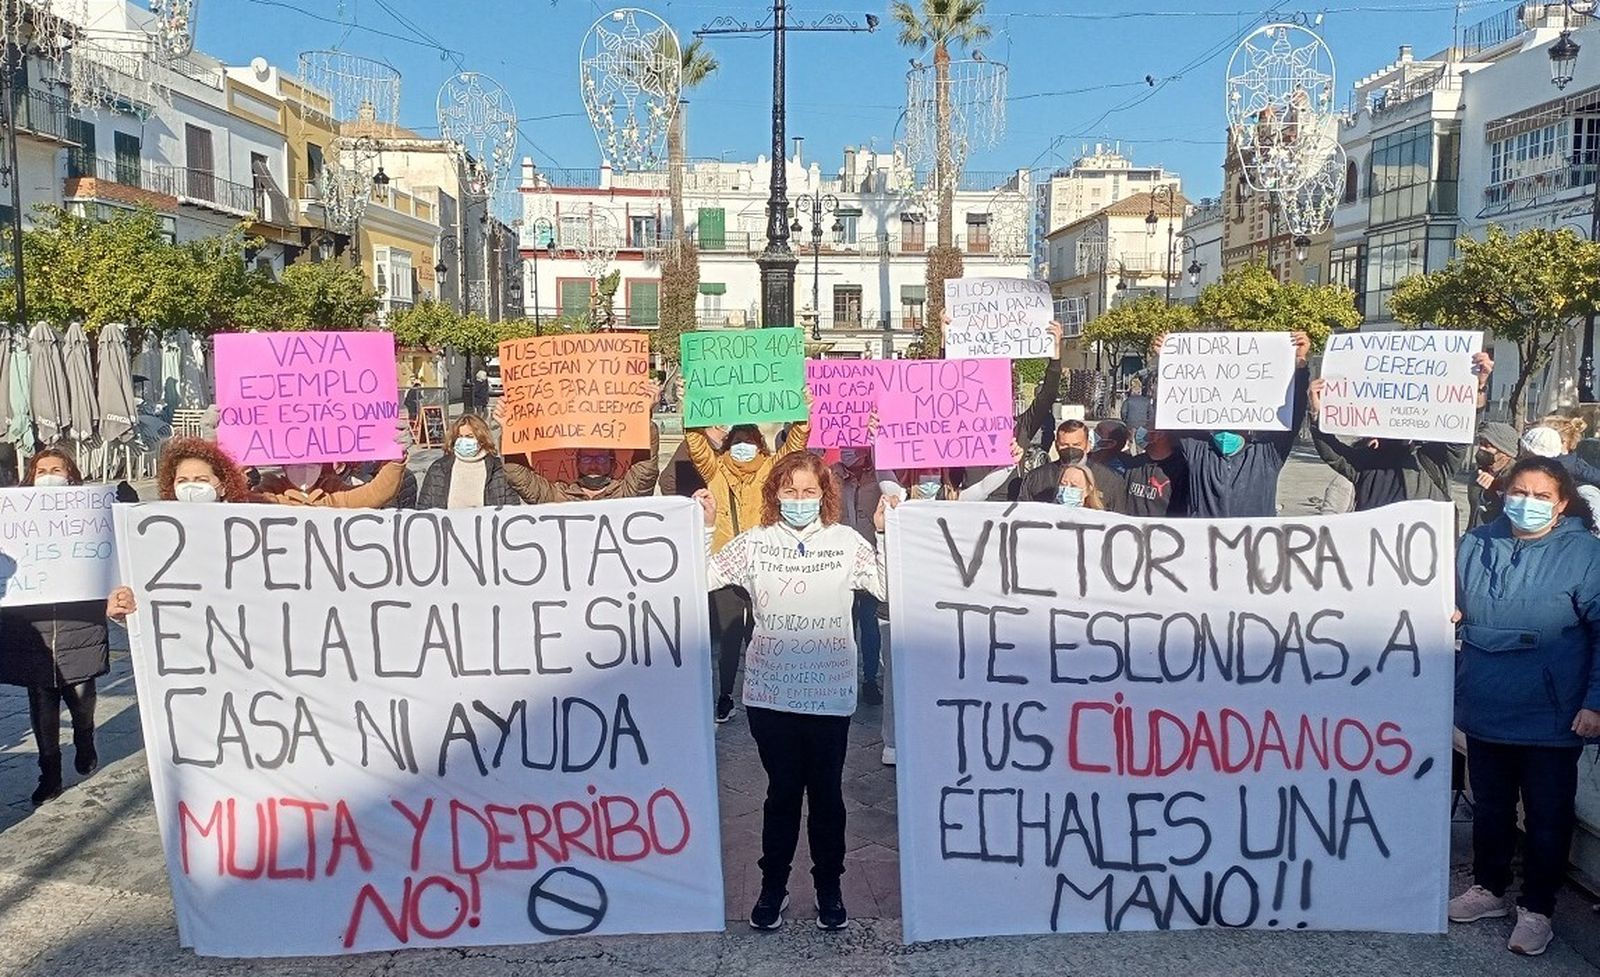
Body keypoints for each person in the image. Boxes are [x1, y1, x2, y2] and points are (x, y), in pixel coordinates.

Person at [695, 451, 891, 933]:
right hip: (771, 696)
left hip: (829, 696)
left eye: (808, 492)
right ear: (774, 495)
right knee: (782, 794)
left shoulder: (846, 542)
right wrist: (705, 528)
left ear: (824, 496)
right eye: (790, 491)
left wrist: (886, 533)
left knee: (826, 796)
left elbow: (887, 587)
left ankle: (830, 889)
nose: (799, 500)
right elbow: (700, 578)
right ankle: (772, 889)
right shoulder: (755, 543)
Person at [1451, 456, 1600, 957]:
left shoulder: (1586, 556)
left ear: (1561, 505)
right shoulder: (1473, 544)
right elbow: (1441, 600)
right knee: (1490, 808)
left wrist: (1595, 703)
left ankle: (1538, 909)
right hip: (1487, 703)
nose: (1527, 503)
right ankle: (1489, 890)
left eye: (1541, 496)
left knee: (1547, 816)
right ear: (1503, 493)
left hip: (1553, 714)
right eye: (1520, 492)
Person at [1, 449, 112, 805]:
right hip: (30, 625)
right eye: (41, 470)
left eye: (57, 470)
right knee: (41, 699)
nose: (49, 476)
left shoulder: (90, 510)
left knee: (81, 695)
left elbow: (122, 520)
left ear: (71, 475)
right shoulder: (12, 516)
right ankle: (49, 771)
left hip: (78, 622)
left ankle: (84, 735)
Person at [687, 413, 812, 724]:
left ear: (759, 444)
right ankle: (725, 696)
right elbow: (696, 443)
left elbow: (795, 447)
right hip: (726, 562)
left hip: (764, 563)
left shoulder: (771, 470)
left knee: (763, 632)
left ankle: (768, 693)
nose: (743, 447)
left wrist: (801, 416)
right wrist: (690, 408)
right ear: (729, 444)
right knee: (729, 636)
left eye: (749, 442)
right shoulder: (715, 469)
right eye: (738, 441)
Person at [1154, 330, 1312, 518]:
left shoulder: (1266, 455)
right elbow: (1175, 410)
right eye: (1222, 421)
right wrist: (1168, 360)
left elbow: (1294, 415)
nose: (1227, 426)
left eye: (1235, 421)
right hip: (1204, 544)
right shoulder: (1199, 452)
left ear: (1249, 424)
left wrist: (1300, 363)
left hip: (1252, 545)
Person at [1306, 378, 1469, 513]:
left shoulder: (1432, 460)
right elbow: (1333, 453)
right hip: (1375, 547)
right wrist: (1317, 414)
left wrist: (1477, 387)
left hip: (1421, 549)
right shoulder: (1366, 461)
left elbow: (1458, 437)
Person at [832, 447, 884, 706]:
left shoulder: (880, 477)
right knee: (844, 625)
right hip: (841, 563)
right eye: (844, 446)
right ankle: (845, 677)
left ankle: (870, 679)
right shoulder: (832, 477)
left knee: (870, 624)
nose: (848, 450)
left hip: (872, 560)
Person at [506, 425, 662, 503]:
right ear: (577, 463)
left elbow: (645, 470)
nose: (594, 465)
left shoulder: (626, 494)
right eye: (587, 459)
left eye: (601, 459)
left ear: (612, 462)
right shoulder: (559, 496)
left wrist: (643, 420)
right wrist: (509, 430)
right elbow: (519, 477)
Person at [417, 414, 521, 509]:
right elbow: (424, 509)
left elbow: (511, 510)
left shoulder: (498, 470)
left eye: (469, 436)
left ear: (481, 439)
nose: (463, 440)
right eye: (459, 436)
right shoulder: (439, 468)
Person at [1052, 419, 1128, 512]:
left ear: (1109, 443)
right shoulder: (1044, 473)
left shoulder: (1115, 477)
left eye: (1099, 431)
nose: (1092, 432)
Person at [157, 436, 253, 503]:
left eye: (202, 480)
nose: (190, 487)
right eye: (182, 481)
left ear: (224, 486)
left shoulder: (242, 521)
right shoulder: (162, 525)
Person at [1123, 428, 1190, 517]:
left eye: (1148, 426)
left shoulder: (1181, 469)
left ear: (1161, 434)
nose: (1141, 430)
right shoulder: (1134, 463)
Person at [1468, 421, 1520, 530]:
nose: (1481, 449)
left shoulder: (1517, 477)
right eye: (1481, 443)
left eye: (1487, 446)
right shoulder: (1477, 474)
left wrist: (1496, 488)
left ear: (1504, 452)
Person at [1021, 459, 1105, 508]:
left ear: (1088, 489)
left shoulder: (1098, 520)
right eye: (1063, 484)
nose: (1067, 489)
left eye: (1074, 486)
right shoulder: (1045, 515)